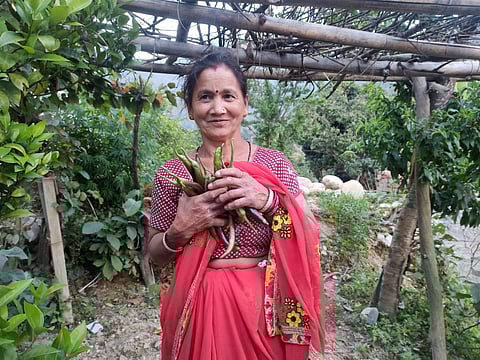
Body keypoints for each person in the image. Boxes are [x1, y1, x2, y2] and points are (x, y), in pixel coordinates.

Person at [147, 51, 325, 360]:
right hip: (197, 306)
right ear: (190, 108)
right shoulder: (171, 174)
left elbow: (308, 232)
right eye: (204, 97)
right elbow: (154, 254)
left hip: (263, 312)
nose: (218, 108)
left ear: (244, 103)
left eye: (228, 95)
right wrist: (180, 230)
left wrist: (267, 202)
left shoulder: (274, 164)